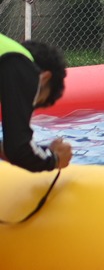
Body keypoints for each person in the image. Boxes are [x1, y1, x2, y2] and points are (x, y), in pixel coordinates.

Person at [0, 36, 71, 174]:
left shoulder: (7, 56)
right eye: (33, 101)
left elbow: (15, 148)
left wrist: (43, 152)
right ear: (45, 78)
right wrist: (55, 159)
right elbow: (19, 149)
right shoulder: (22, 67)